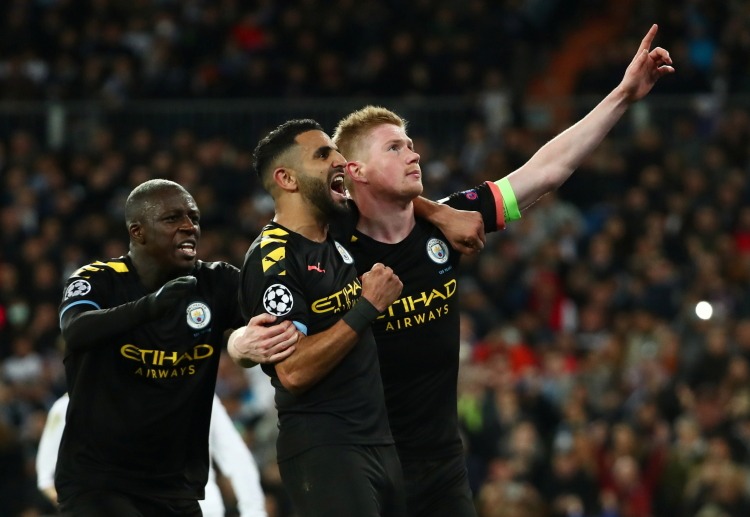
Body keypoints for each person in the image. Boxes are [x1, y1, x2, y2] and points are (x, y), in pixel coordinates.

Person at [231, 24, 674, 517]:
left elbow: (547, 171)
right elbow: (270, 276)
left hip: (441, 460)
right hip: (362, 456)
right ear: (355, 172)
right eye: (394, 148)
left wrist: (622, 95)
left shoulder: (448, 222)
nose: (414, 153)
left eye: (410, 143)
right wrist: (239, 343)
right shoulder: (331, 238)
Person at [234, 118, 411, 517]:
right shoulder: (274, 260)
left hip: (378, 442)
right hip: (326, 447)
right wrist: (367, 307)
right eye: (322, 154)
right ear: (287, 179)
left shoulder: (335, 233)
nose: (340, 161)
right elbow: (293, 371)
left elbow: (399, 205)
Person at [56, 179, 245, 516]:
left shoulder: (217, 283)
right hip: (100, 483)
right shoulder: (99, 279)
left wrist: (247, 343)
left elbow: (271, 318)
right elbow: (75, 329)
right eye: (173, 218)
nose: (189, 227)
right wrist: (150, 306)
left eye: (194, 218)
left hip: (175, 487)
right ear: (138, 232)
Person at [36, 393, 268, 517]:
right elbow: (47, 477)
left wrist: (254, 511)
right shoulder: (71, 405)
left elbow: (236, 456)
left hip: (202, 508)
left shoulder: (197, 389)